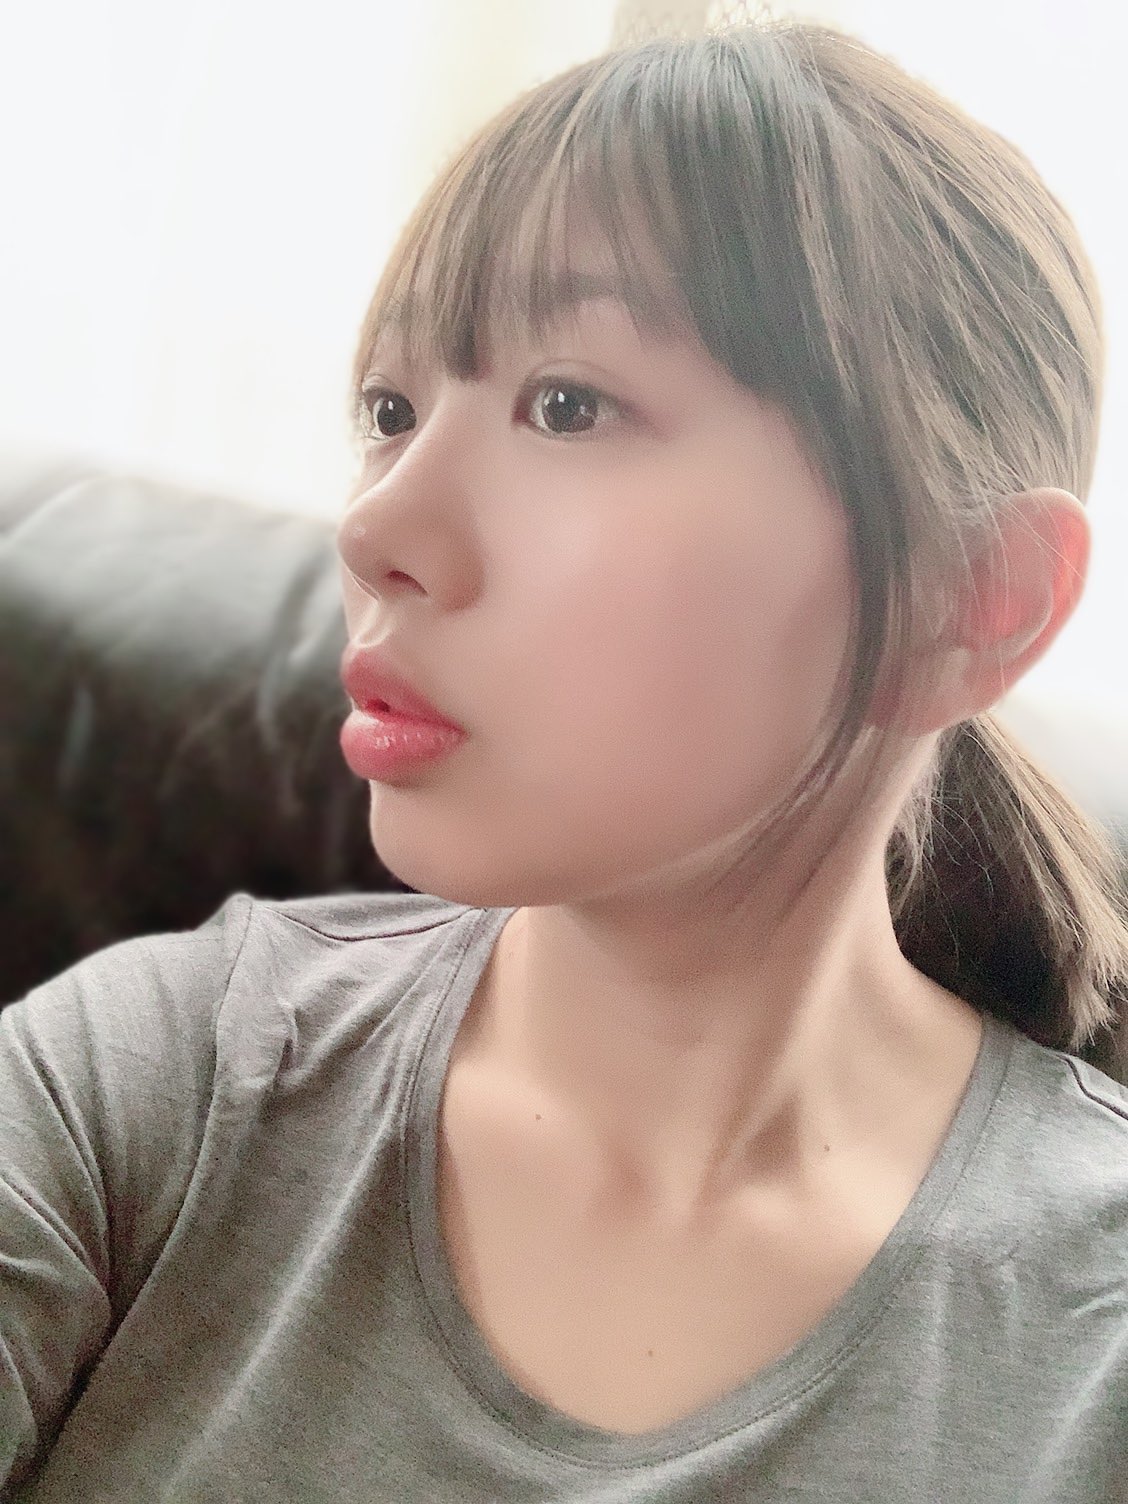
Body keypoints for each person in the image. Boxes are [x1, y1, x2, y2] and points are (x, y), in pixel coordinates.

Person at [2, 14, 1127, 1502]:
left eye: (567, 404)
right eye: (391, 412)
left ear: (966, 598)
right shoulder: (158, 1083)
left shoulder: (1090, 1350)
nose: (376, 530)